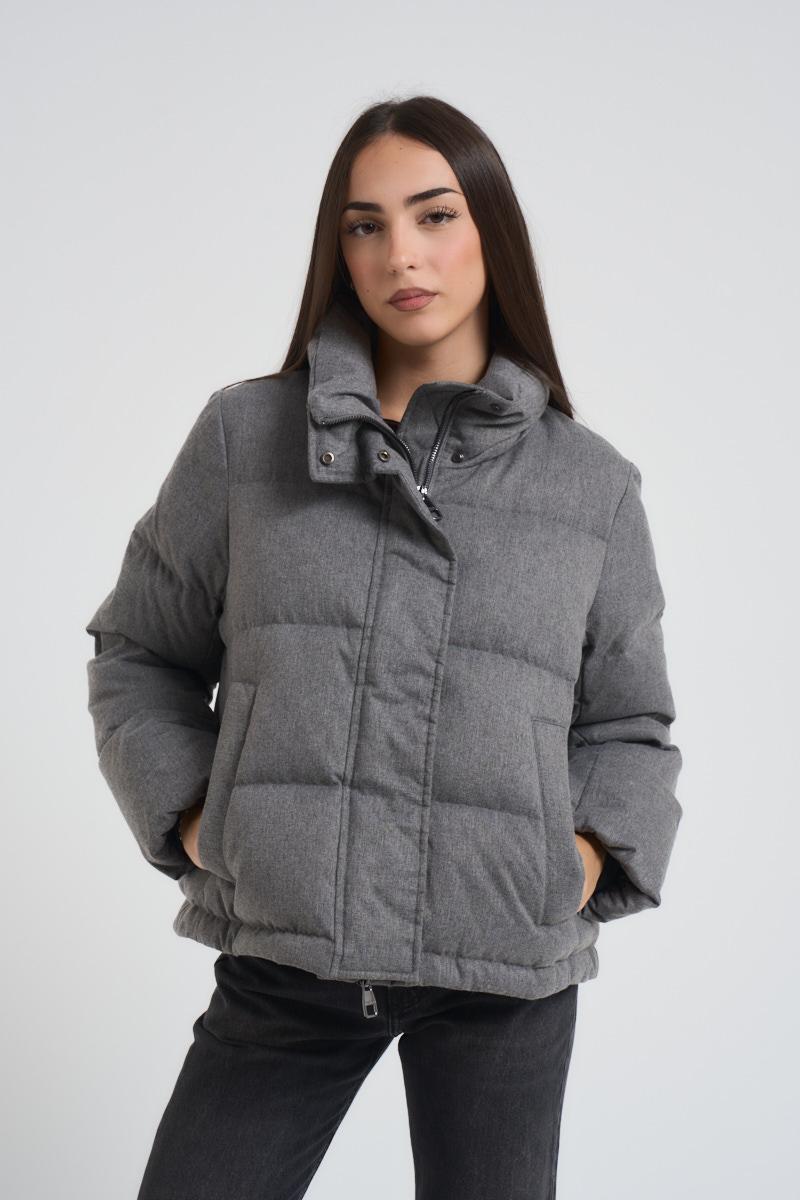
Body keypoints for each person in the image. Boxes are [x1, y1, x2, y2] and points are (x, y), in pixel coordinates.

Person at [84, 94, 683, 1200]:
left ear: (491, 232)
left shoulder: (590, 485)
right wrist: (201, 820)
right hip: (288, 953)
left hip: (503, 969)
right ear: (339, 250)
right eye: (365, 225)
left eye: (434, 214)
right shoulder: (246, 437)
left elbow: (628, 722)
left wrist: (577, 862)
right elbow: (137, 651)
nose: (400, 253)